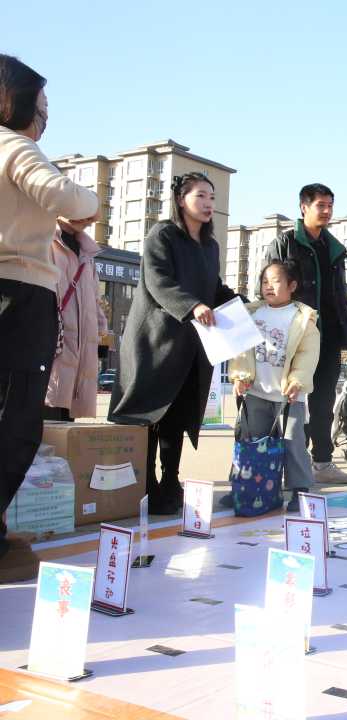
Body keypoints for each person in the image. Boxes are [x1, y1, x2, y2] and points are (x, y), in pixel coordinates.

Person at [1, 54, 99, 580]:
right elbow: (64, 195)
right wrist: (89, 202)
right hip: (18, 293)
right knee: (16, 420)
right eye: (41, 108)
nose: (43, 120)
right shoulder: (14, 146)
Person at [109, 172, 239, 514]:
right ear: (181, 200)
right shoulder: (163, 234)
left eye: (212, 197)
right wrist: (192, 306)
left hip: (190, 345)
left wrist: (243, 305)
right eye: (201, 196)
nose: (209, 203)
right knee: (150, 415)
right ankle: (145, 483)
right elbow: (158, 281)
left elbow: (213, 289)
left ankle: (170, 481)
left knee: (178, 416)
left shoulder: (210, 246)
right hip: (155, 342)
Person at [265, 184, 347, 485]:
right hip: (296, 337)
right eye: (321, 205)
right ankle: (293, 464)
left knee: (324, 403)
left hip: (328, 337)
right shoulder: (285, 243)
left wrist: (346, 331)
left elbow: (339, 294)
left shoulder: (334, 248)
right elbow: (268, 287)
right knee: (294, 401)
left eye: (330, 205)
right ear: (304, 207)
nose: (327, 211)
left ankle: (323, 462)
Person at [225, 260, 319, 512]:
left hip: (289, 396)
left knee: (293, 443)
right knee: (250, 440)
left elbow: (307, 355)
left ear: (292, 286)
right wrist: (239, 376)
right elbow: (240, 350)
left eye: (276, 281)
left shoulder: (303, 319)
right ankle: (242, 486)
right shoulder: (251, 313)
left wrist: (297, 381)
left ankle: (300, 490)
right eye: (265, 281)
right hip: (256, 393)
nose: (269, 286)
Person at [45, 217, 108, 421]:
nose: (89, 216)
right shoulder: (44, 239)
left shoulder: (87, 253)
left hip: (80, 357)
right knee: (47, 416)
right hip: (52, 351)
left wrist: (101, 328)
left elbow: (95, 300)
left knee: (66, 422)